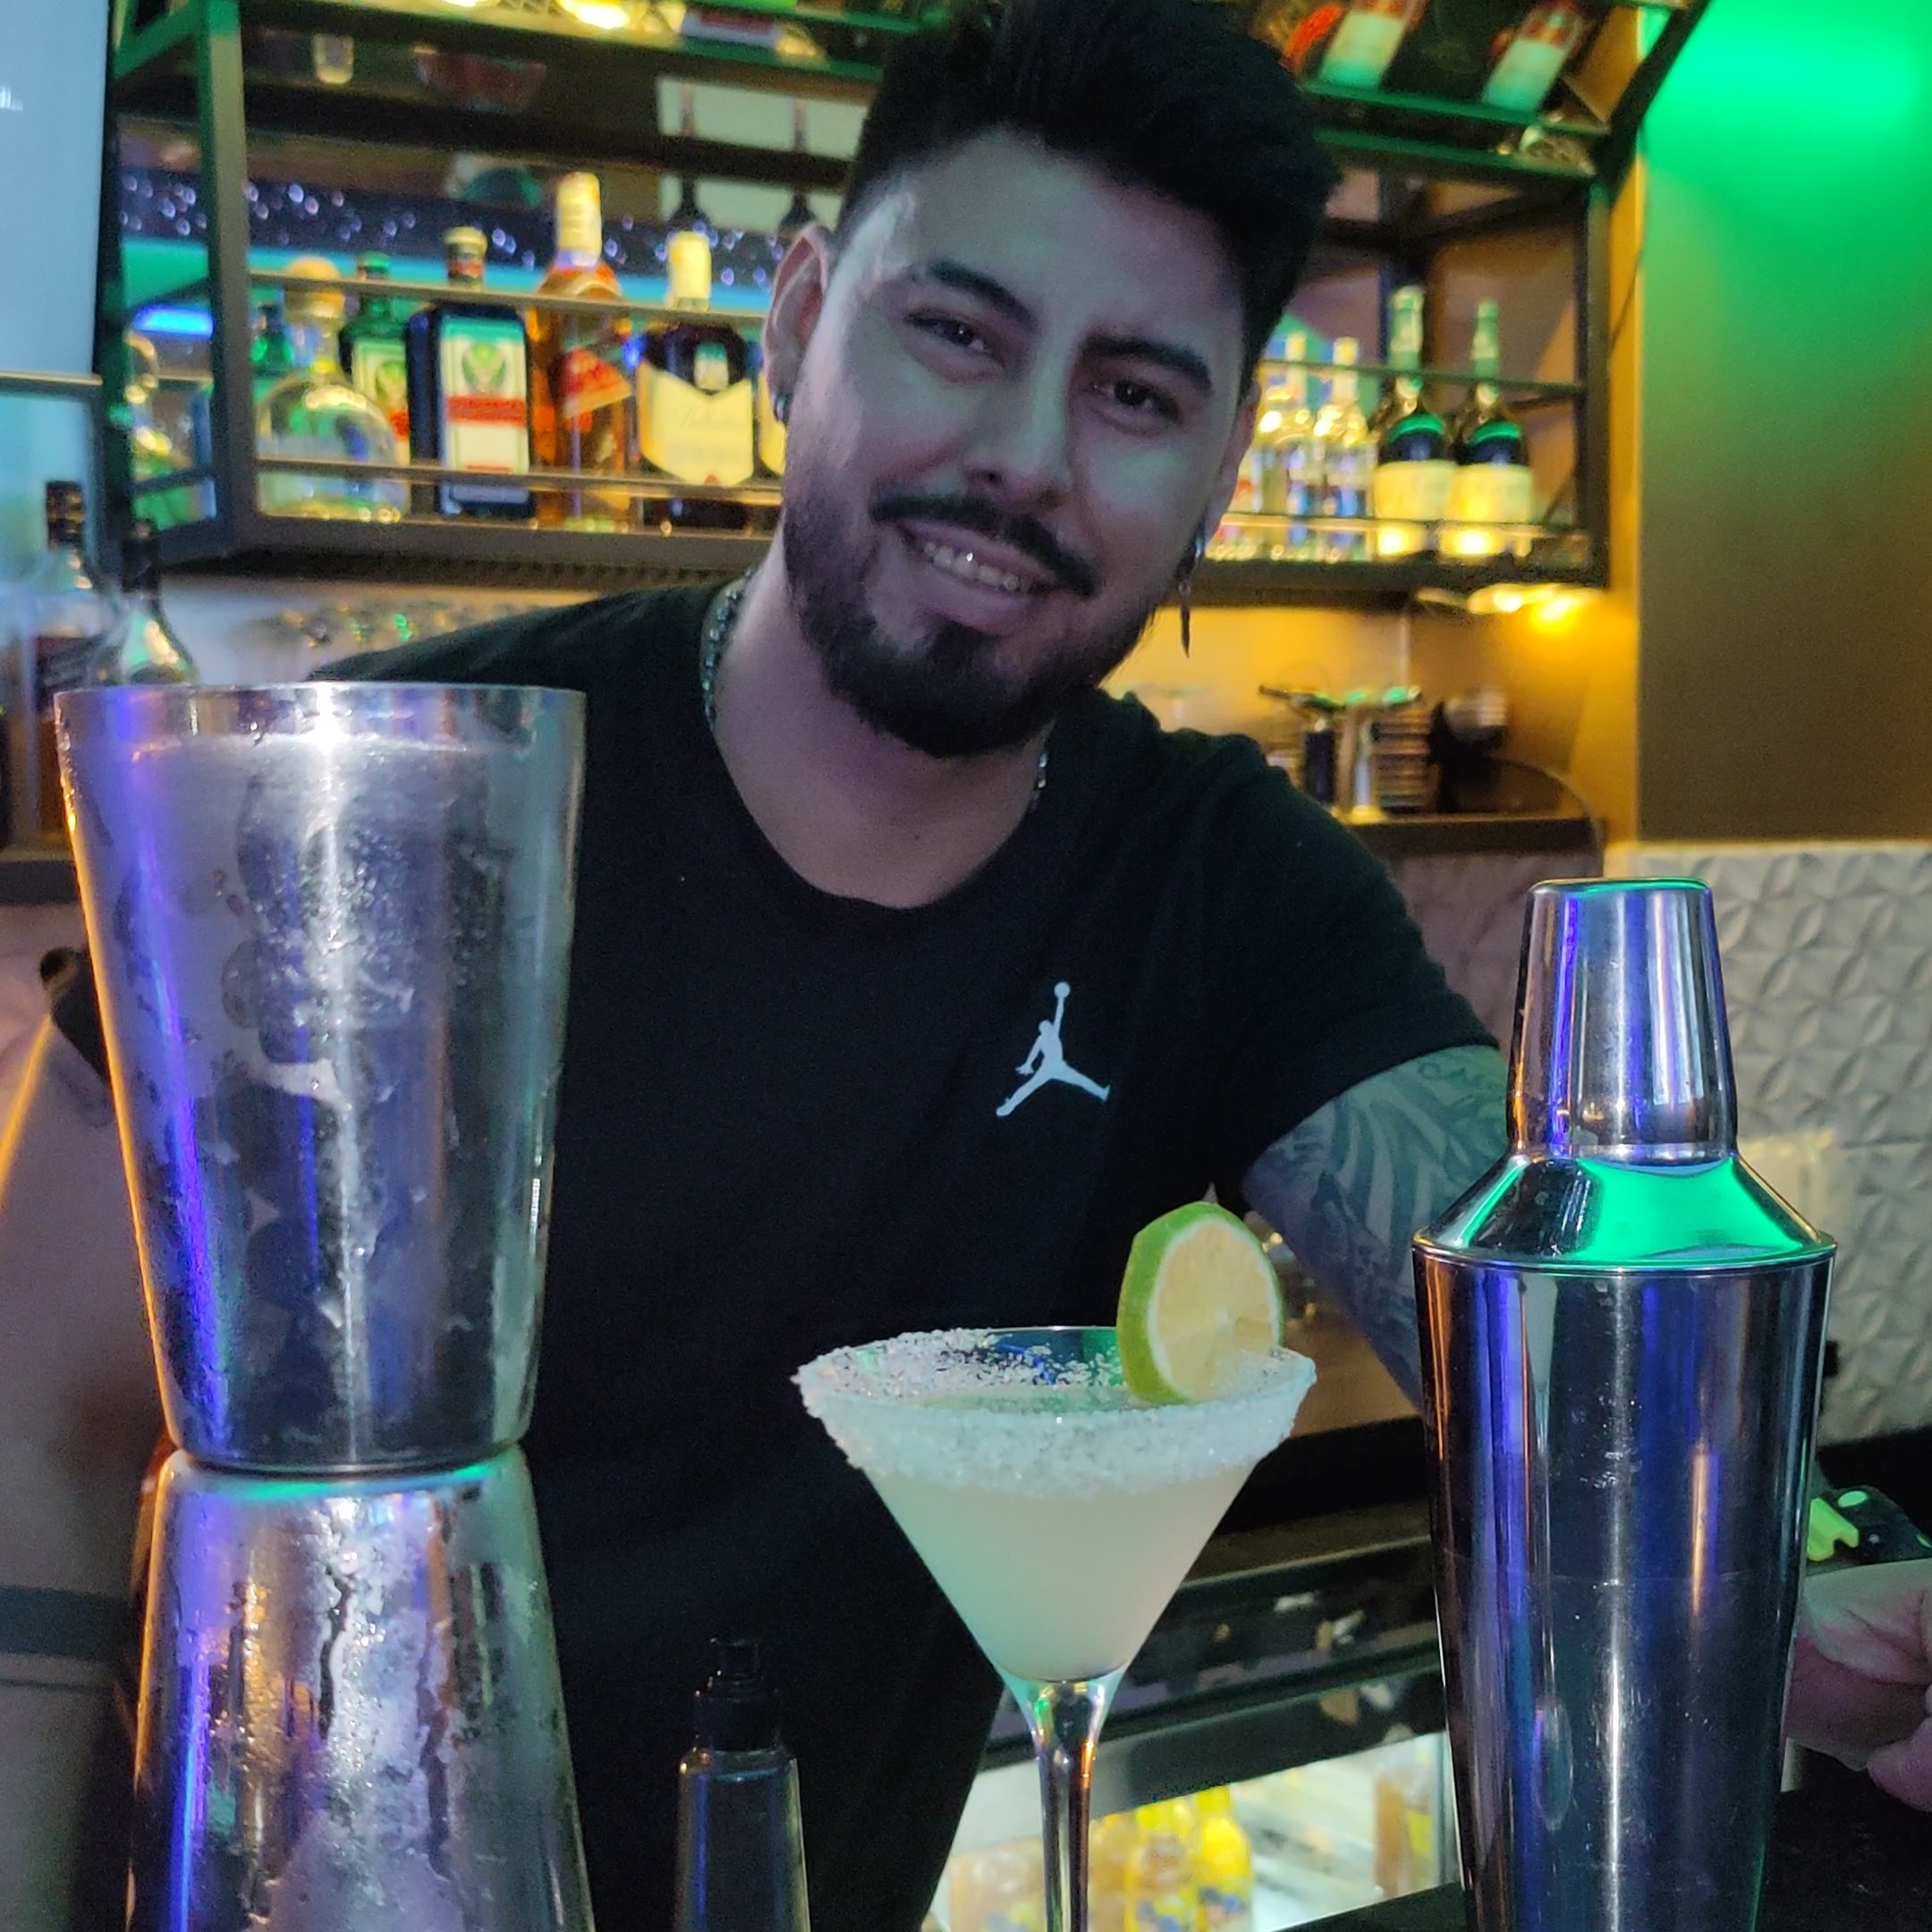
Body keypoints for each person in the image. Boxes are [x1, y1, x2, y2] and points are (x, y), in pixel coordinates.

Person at [7, 0, 1909, 1927]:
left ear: (1227, 465)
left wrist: (1813, 1593)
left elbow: (1559, 1326)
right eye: (960, 333)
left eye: (1136, 394)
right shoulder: (394, 803)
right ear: (796, 320)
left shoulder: (1217, 885)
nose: (1023, 459)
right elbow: (29, 1423)